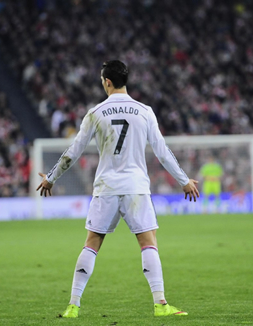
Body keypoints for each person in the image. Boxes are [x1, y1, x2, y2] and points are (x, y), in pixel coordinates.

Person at [36, 60, 200, 318]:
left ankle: (73, 306)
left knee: (91, 244)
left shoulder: (96, 112)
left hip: (107, 187)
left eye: (102, 81)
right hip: (136, 187)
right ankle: (160, 304)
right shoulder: (144, 111)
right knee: (148, 243)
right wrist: (184, 180)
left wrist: (51, 178)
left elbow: (72, 152)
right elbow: (163, 152)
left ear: (107, 82)